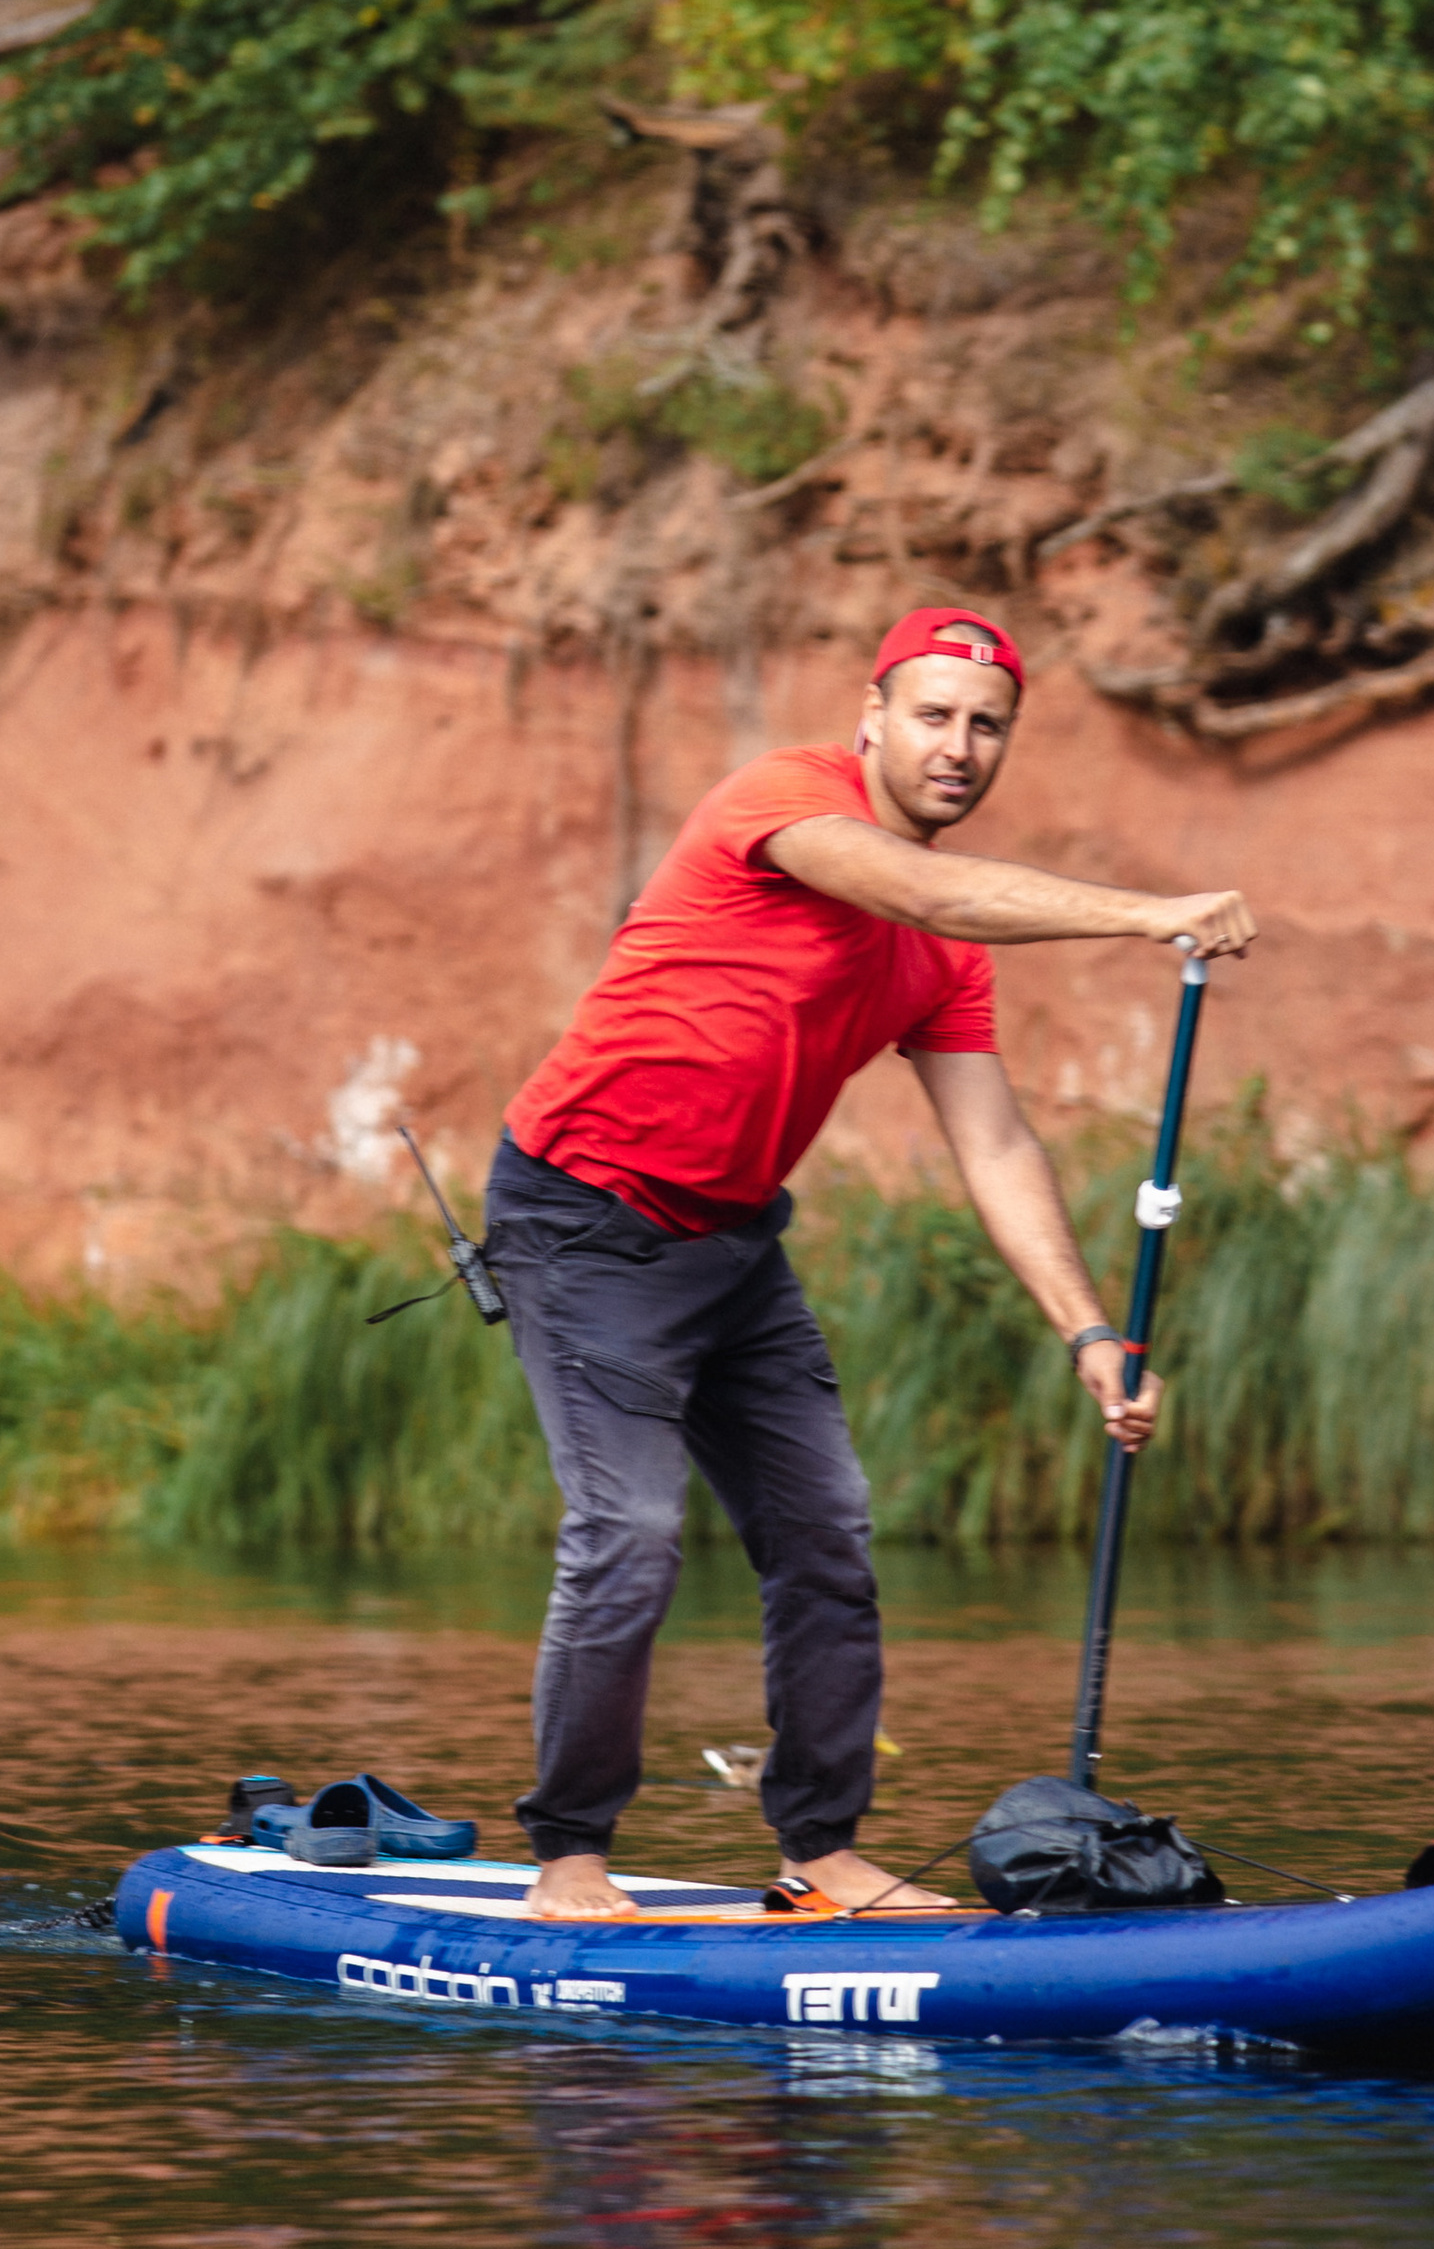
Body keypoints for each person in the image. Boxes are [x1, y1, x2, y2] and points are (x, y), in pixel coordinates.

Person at [481, 605, 1256, 1919]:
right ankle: (570, 1859)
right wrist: (1148, 915)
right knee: (632, 1535)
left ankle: (822, 1849)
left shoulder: (943, 958)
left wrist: (1090, 1336)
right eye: (935, 716)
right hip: (582, 1216)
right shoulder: (783, 803)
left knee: (828, 1531)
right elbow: (927, 883)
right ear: (874, 714)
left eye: (987, 725)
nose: (959, 746)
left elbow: (996, 1143)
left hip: (732, 1242)